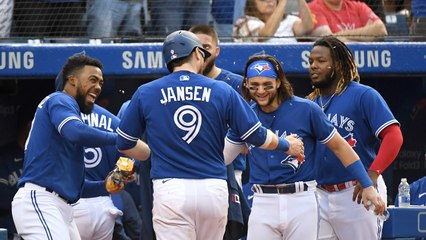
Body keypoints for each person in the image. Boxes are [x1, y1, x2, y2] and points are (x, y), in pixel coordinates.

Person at [116, 30, 304, 240]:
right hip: (213, 188)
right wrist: (285, 144)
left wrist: (149, 153)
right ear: (197, 53)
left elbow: (124, 142)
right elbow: (255, 134)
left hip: (171, 189)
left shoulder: (146, 91)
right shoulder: (221, 89)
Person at [229, 54, 386, 239]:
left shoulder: (305, 109)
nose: (261, 91)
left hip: (301, 199)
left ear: (278, 82)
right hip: (263, 200)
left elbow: (340, 147)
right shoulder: (245, 115)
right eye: (254, 86)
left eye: (267, 85)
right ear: (246, 84)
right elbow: (223, 156)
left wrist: (367, 185)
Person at [10, 54, 127, 239]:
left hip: (62, 206)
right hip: (41, 199)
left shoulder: (66, 135)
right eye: (92, 80)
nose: (97, 87)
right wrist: (119, 138)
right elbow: (76, 132)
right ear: (72, 80)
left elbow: (78, 188)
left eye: (101, 83)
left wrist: (106, 185)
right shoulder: (59, 99)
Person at [307, 36, 403, 239]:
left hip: (356, 193)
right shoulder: (309, 103)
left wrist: (373, 174)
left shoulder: (363, 95)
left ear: (339, 65)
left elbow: (394, 136)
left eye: (321, 61)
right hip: (319, 195)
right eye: (311, 61)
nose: (314, 66)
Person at [189, 25, 251, 239]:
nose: (201, 52)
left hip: (230, 171)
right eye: (196, 47)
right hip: (189, 173)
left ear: (217, 50)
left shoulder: (235, 84)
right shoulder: (182, 84)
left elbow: (250, 132)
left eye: (206, 46)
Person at [0, 104, 33, 240]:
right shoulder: (4, 157)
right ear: (29, 125)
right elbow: (1, 197)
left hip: (38, 230)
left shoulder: (44, 156)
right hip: (10, 233)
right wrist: (32, 197)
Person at [233, 0, 314, 42]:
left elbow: (307, 26)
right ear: (252, 2)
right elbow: (266, 34)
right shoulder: (244, 22)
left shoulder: (289, 19)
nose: (269, 0)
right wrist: (282, 2)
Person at [308, 0, 388, 42]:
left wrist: (338, 35)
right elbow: (328, 40)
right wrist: (365, 38)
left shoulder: (358, 6)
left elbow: (381, 30)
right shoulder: (313, 8)